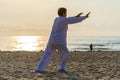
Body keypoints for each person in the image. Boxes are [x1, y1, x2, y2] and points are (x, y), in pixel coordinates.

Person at [35, 7, 90, 73]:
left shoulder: (56, 19)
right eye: (66, 12)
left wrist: (76, 16)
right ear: (64, 13)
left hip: (52, 40)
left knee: (47, 54)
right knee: (65, 54)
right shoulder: (64, 20)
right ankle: (62, 68)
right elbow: (72, 20)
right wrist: (84, 17)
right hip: (59, 41)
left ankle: (39, 69)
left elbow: (69, 19)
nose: (66, 14)